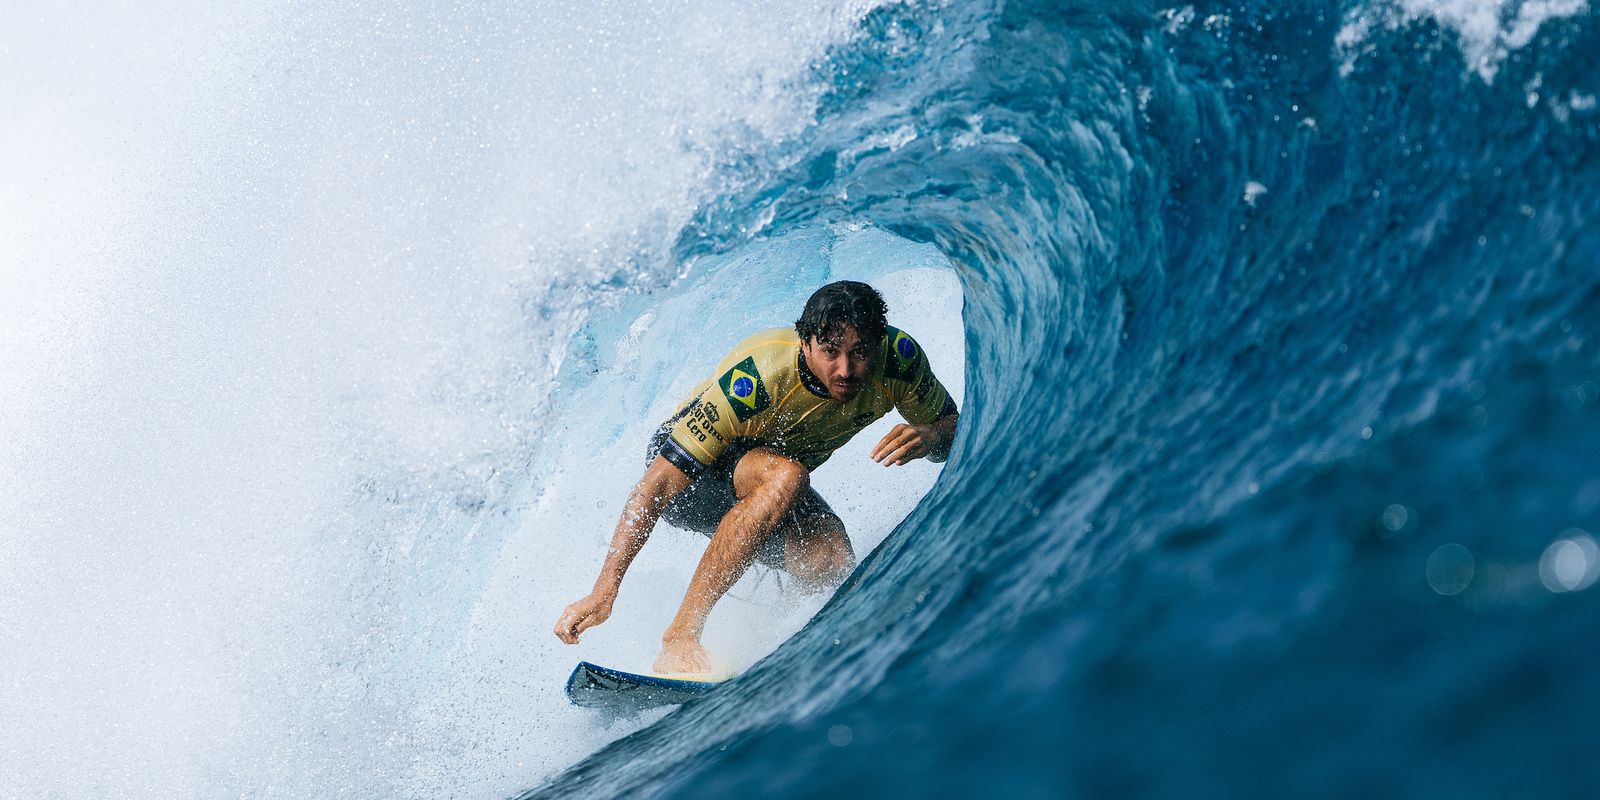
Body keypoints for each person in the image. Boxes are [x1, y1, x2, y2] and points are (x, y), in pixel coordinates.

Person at [552, 280, 959, 675]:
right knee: (785, 476)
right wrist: (605, 589)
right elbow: (656, 484)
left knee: (831, 559)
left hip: (772, 483)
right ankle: (680, 638)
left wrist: (931, 435)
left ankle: (779, 647)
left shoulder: (900, 361)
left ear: (880, 343)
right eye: (830, 352)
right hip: (693, 480)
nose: (846, 370)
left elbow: (952, 430)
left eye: (860, 352)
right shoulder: (759, 378)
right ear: (806, 343)